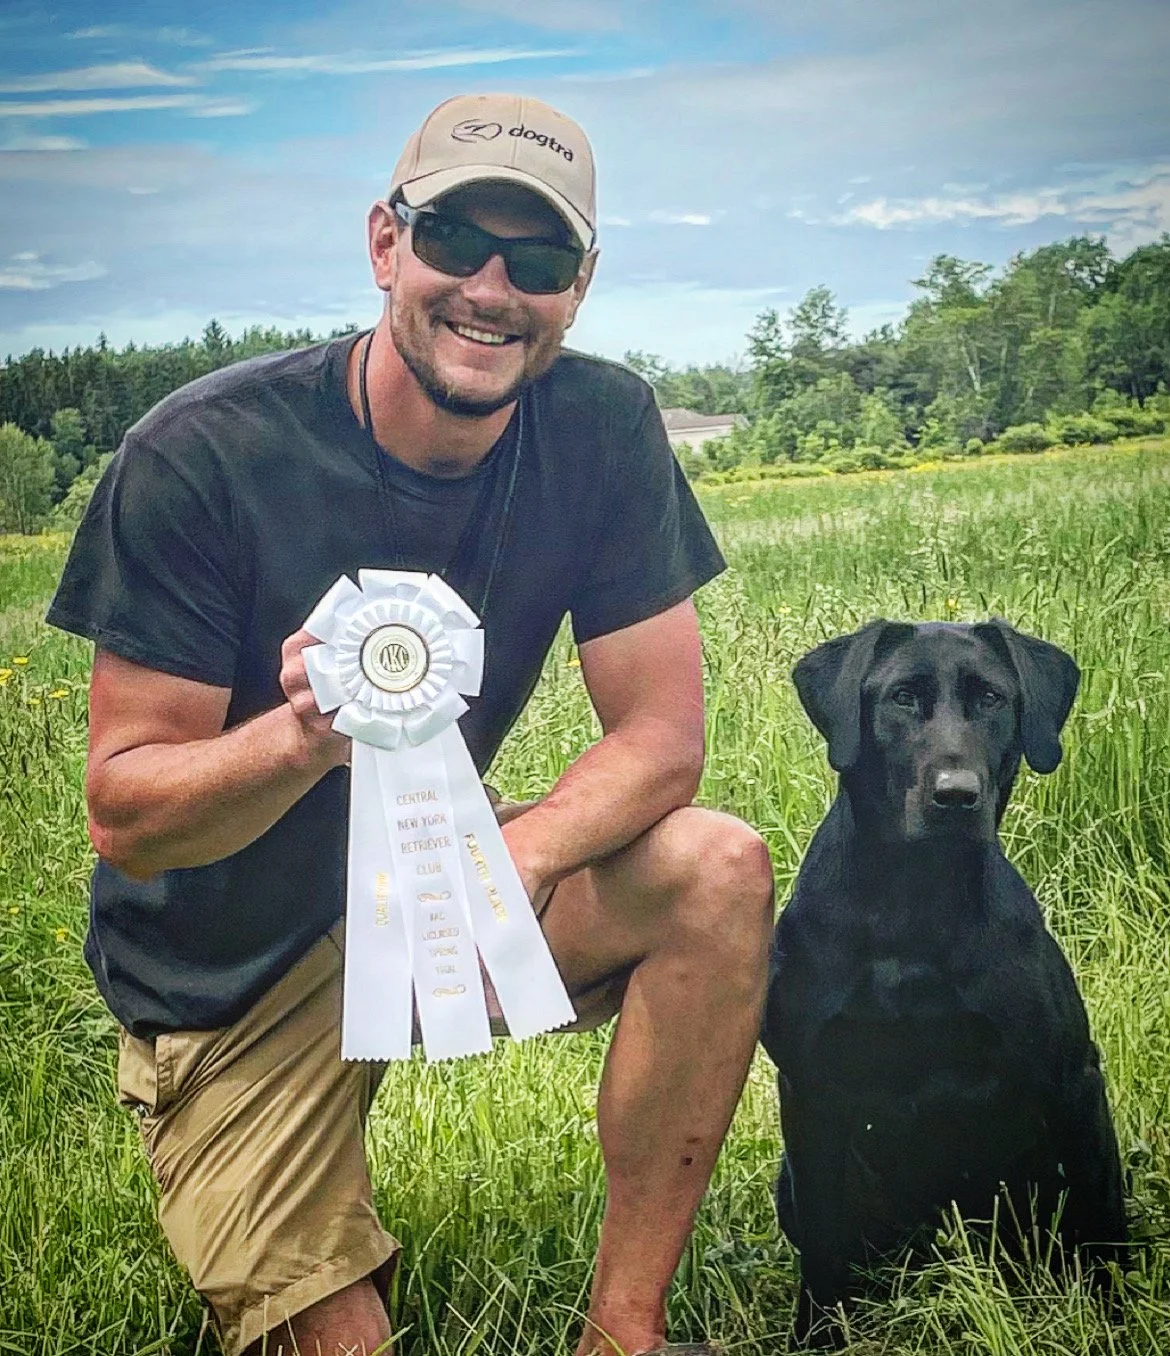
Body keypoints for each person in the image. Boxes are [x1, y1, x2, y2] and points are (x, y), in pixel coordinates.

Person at [47, 93, 774, 1356]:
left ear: (579, 285)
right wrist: (301, 735)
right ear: (386, 244)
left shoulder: (603, 429)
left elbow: (661, 737)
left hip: (439, 883)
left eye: (537, 259)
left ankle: (625, 1336)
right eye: (454, 241)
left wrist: (517, 860)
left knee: (716, 869)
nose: (492, 288)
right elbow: (127, 819)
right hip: (232, 978)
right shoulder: (198, 457)